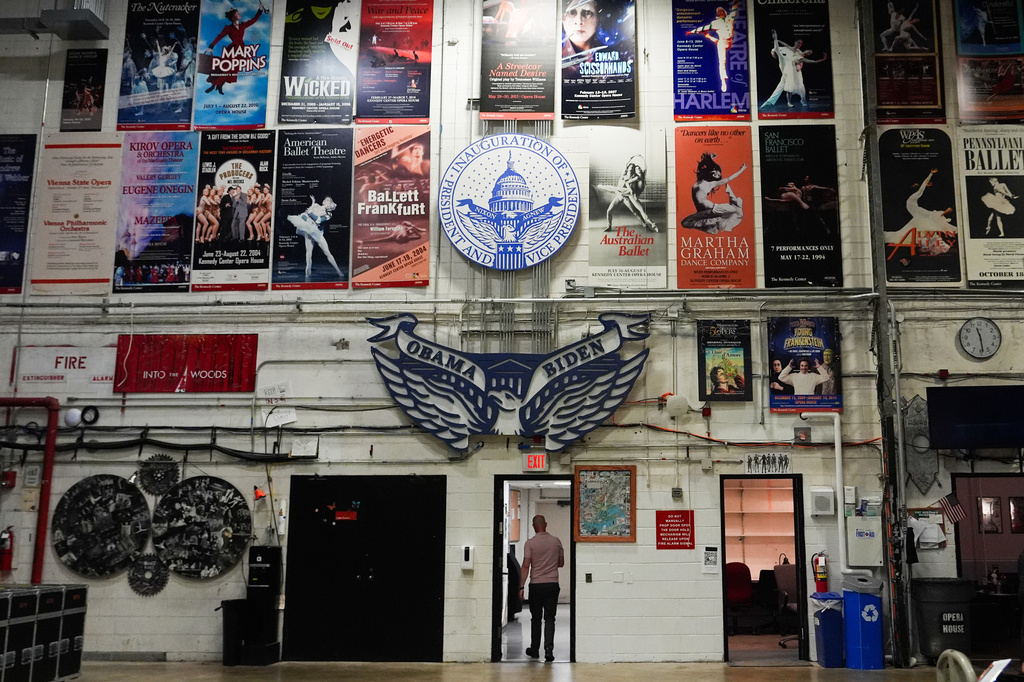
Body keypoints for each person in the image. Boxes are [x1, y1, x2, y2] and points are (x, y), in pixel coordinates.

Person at [519, 514, 564, 662]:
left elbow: (526, 566)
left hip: (536, 586)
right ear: (546, 524)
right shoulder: (556, 542)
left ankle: (534, 649)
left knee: (536, 618)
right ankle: (549, 649)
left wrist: (521, 586)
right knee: (550, 618)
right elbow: (561, 563)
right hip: (552, 584)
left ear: (533, 526)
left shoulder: (530, 543)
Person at [886, 169, 955, 259]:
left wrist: (928, 180)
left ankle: (932, 245)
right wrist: (930, 175)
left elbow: (922, 187)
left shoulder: (913, 198)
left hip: (918, 212)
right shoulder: (913, 197)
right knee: (929, 220)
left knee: (930, 221)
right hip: (917, 211)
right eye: (915, 185)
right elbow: (921, 188)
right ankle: (930, 244)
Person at [204, 2, 268, 94]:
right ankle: (213, 85)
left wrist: (260, 10)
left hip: (241, 51)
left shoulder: (242, 25)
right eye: (237, 14)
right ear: (233, 17)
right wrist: (211, 46)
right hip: (232, 51)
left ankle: (220, 85)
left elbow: (253, 20)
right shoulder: (228, 28)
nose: (239, 15)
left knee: (233, 71)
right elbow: (219, 36)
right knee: (225, 69)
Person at [680, 153, 747, 234]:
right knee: (685, 223)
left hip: (713, 208)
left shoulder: (712, 184)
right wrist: (710, 159)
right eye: (717, 172)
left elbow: (729, 178)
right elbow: (700, 167)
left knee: (736, 211)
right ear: (713, 170)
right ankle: (715, 220)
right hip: (703, 212)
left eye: (718, 175)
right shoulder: (700, 179)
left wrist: (741, 170)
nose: (716, 175)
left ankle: (718, 217)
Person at [686, 1, 740, 93]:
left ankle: (709, 37)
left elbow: (734, 9)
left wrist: (736, 2)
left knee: (720, 42)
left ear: (724, 12)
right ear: (717, 14)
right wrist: (692, 31)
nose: (720, 12)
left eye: (721, 11)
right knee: (722, 61)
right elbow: (703, 28)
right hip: (722, 42)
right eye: (718, 12)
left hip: (730, 41)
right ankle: (723, 80)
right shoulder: (715, 23)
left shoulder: (730, 18)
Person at [286, 195, 345, 279]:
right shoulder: (316, 205)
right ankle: (308, 271)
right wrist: (311, 208)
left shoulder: (328, 214)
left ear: (329, 205)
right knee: (309, 252)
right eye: (326, 199)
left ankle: (338, 271)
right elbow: (303, 215)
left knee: (327, 252)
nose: (325, 200)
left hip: (318, 233)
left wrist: (310, 213)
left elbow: (318, 220)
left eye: (328, 200)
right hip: (310, 229)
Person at [603, 158, 657, 233]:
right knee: (609, 210)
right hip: (619, 195)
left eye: (632, 168)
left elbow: (634, 188)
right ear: (627, 168)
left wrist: (633, 193)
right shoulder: (623, 175)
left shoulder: (634, 178)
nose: (631, 169)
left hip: (626, 197)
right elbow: (625, 164)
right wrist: (632, 157)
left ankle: (645, 225)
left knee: (635, 212)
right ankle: (609, 226)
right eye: (630, 168)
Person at [561, 0, 603, 75]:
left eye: (587, 13)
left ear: (597, 19)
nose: (579, 21)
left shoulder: (612, 55)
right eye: (572, 12)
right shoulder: (553, 56)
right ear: (563, 19)